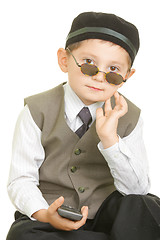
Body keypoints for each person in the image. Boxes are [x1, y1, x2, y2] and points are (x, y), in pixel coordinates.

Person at [6, 12, 160, 240]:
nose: (99, 77)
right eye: (89, 64)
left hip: (108, 214)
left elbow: (136, 190)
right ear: (64, 60)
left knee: (146, 206)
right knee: (23, 234)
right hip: (50, 212)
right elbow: (22, 179)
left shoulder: (130, 116)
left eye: (114, 71)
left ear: (128, 75)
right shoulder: (37, 110)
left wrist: (110, 140)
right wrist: (45, 214)